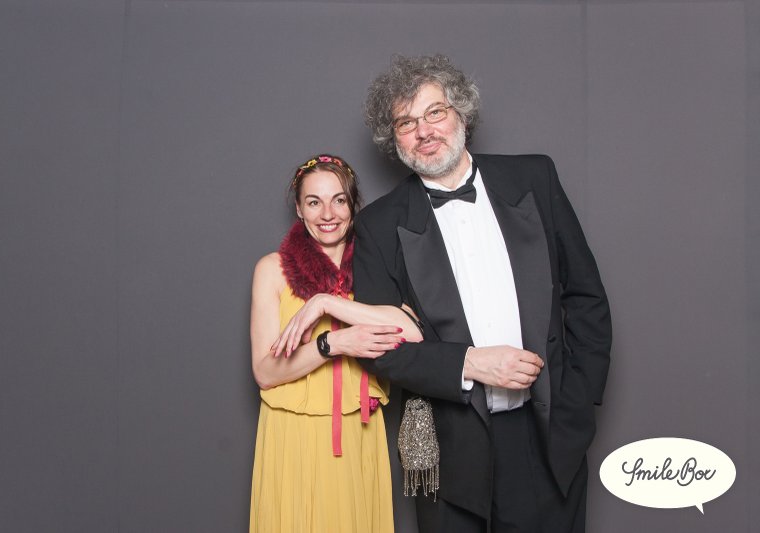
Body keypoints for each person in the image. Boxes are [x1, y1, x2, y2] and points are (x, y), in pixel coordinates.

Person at [352, 54, 612, 532]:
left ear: (462, 114)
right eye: (406, 122)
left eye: (435, 112)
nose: (423, 131)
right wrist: (469, 364)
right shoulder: (378, 224)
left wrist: (578, 400)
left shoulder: (534, 178)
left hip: (547, 434)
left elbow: (586, 296)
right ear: (394, 138)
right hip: (452, 449)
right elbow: (382, 349)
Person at [249, 154, 422, 533]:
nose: (328, 214)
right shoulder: (272, 270)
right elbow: (265, 372)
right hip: (294, 437)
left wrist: (327, 303)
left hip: (360, 433)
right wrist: (333, 343)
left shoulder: (377, 268)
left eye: (339, 200)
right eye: (314, 202)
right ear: (299, 209)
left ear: (353, 204)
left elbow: (413, 333)